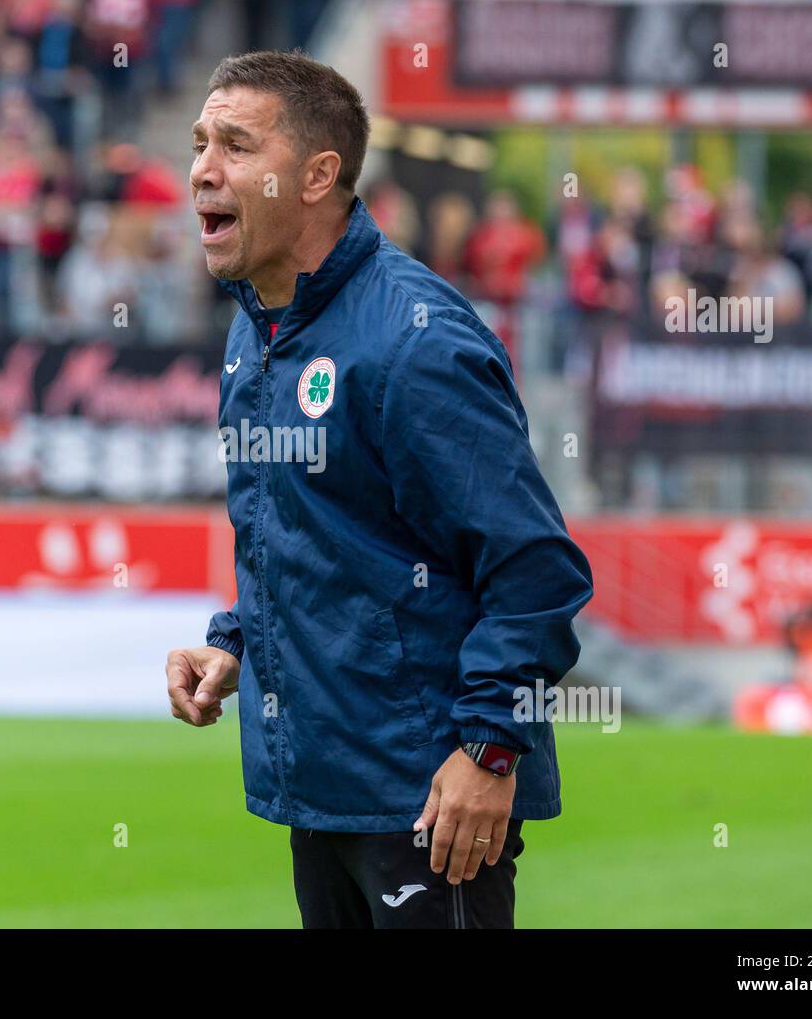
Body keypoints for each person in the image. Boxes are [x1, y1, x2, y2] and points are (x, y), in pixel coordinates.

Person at [165, 51, 593, 929]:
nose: (203, 169)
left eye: (237, 147)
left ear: (319, 175)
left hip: (429, 800)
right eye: (201, 142)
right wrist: (235, 643)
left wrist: (488, 748)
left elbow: (535, 570)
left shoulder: (414, 340)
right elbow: (300, 536)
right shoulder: (257, 334)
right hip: (318, 785)